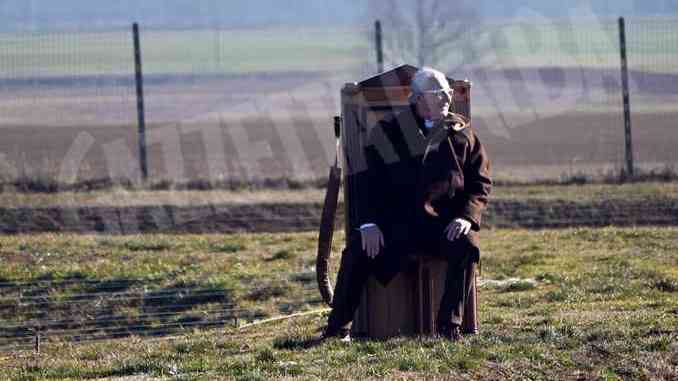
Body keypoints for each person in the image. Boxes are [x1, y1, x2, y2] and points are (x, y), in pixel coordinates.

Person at [323, 67, 492, 342]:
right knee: (357, 250)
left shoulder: (462, 132)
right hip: (397, 226)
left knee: (467, 246)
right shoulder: (388, 132)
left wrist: (466, 217)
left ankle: (449, 327)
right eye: (439, 93)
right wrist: (368, 223)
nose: (447, 98)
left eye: (448, 92)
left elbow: (480, 181)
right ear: (417, 99)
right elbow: (366, 182)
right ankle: (338, 329)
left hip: (442, 225)